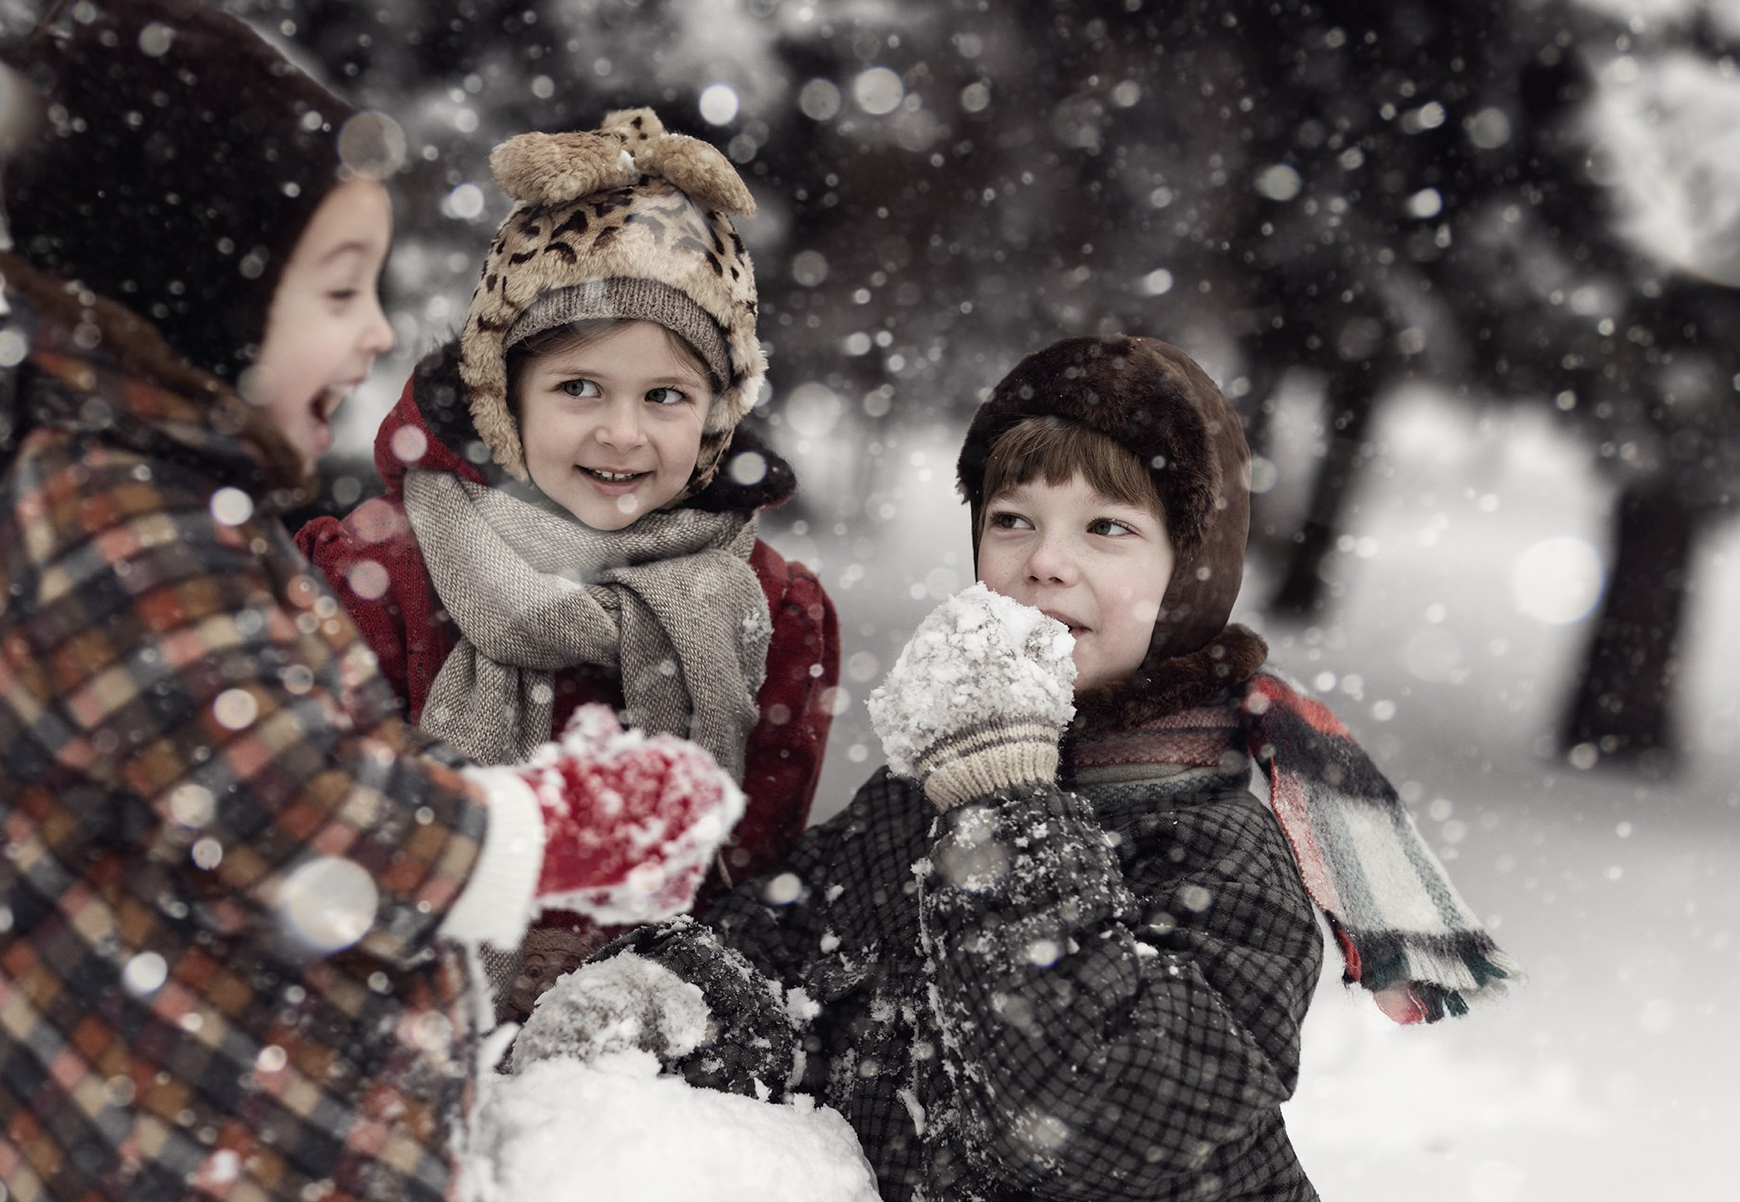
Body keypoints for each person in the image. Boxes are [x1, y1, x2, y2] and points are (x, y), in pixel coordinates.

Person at [0, 0, 740, 1202]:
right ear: (212, 300)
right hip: (167, 1151)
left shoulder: (172, 501)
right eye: (340, 287)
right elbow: (292, 806)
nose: (374, 332)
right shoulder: (119, 530)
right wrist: (543, 830)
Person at [515, 334, 1519, 1201]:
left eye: (1108, 529)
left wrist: (1006, 805)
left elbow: (1095, 1108)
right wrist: (664, 992)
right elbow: (787, 949)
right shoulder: (922, 799)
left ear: (1189, 577)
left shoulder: (1220, 849)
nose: (1045, 561)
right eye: (1012, 520)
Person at [297, 108, 839, 1015]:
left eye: (665, 395)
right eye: (578, 387)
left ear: (714, 415)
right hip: (403, 1030)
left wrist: (648, 987)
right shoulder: (387, 574)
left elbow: (753, 885)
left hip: (636, 1079)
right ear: (503, 394)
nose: (621, 433)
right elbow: (329, 838)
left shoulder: (769, 610)